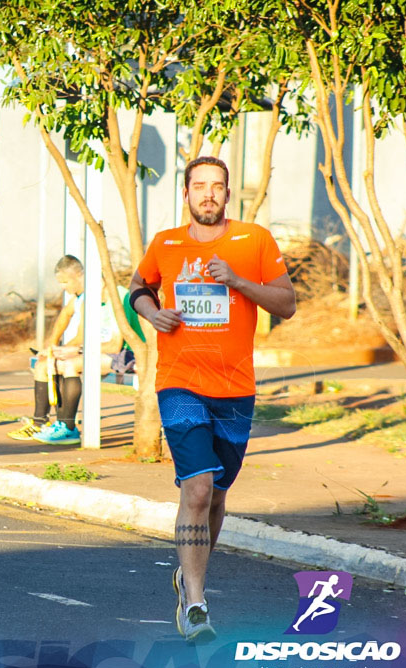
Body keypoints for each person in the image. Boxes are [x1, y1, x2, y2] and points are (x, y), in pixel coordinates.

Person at [129, 156, 296, 643]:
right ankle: (197, 603)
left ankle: (189, 571)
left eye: (217, 187)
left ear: (227, 194)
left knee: (218, 496)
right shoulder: (166, 243)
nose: (208, 194)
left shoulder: (254, 240)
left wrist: (238, 281)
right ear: (186, 193)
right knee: (197, 489)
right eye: (199, 186)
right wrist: (151, 312)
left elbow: (286, 304)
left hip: (236, 389)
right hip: (180, 382)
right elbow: (138, 287)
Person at [7, 255, 141, 445]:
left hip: (130, 354)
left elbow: (115, 345)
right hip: (106, 353)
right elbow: (81, 336)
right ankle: (53, 424)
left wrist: (79, 352)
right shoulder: (90, 299)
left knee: (70, 365)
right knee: (54, 363)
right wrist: (58, 349)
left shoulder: (116, 297)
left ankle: (68, 428)